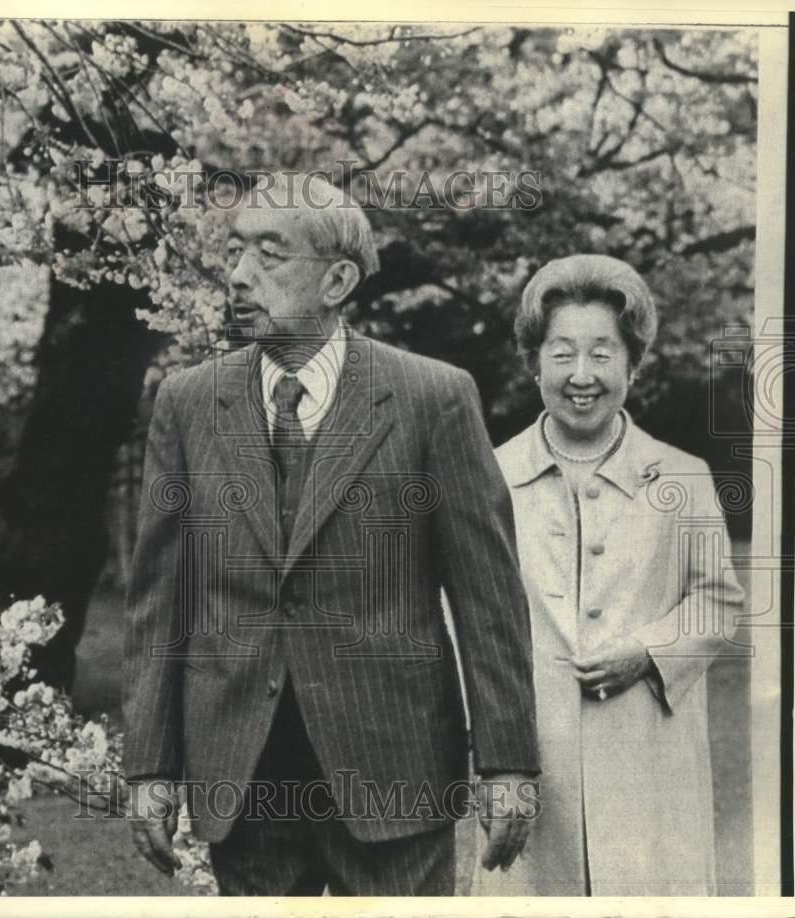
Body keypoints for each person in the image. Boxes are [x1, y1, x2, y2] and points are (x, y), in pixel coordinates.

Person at [121, 173, 540, 896]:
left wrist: (508, 762)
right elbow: (161, 599)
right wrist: (151, 765)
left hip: (392, 766)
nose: (240, 275)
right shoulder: (188, 404)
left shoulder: (432, 398)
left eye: (271, 255)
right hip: (242, 776)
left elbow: (487, 596)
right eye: (237, 252)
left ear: (339, 278)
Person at [474, 253, 745, 896]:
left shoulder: (681, 476)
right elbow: (468, 625)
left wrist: (649, 651)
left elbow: (719, 603)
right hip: (532, 772)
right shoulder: (490, 477)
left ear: (634, 362)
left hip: (652, 765)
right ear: (533, 361)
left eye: (603, 353)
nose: (582, 376)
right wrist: (490, 760)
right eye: (562, 353)